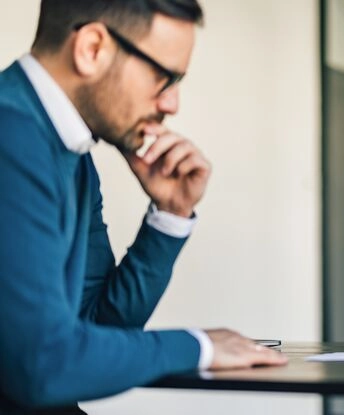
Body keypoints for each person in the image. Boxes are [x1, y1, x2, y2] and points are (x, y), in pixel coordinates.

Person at [0, 1, 287, 414]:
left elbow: (98, 329)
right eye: (164, 77)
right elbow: (43, 363)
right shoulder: (12, 136)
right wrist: (198, 347)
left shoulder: (74, 159)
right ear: (92, 48)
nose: (171, 104)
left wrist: (169, 215)